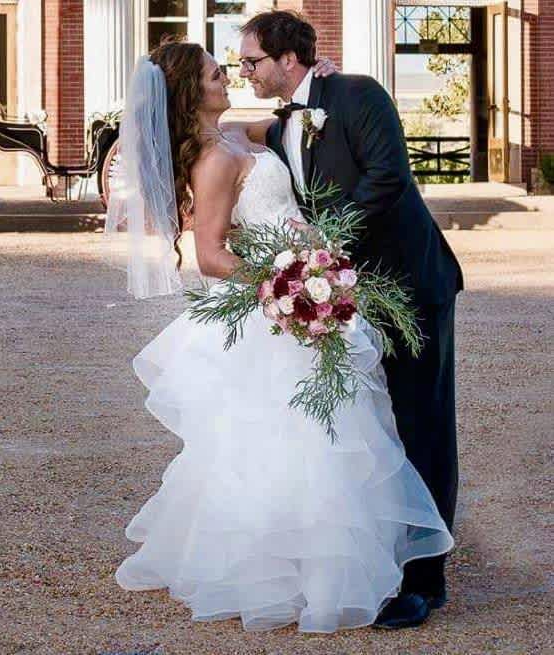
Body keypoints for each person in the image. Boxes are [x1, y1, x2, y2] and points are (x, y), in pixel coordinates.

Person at [106, 37, 453, 635]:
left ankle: (375, 566)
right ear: (192, 91)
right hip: (283, 305)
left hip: (315, 289)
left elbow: (290, 121)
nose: (230, 75)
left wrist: (323, 89)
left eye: (242, 64)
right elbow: (210, 255)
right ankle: (307, 573)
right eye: (217, 73)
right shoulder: (216, 161)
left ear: (286, 60)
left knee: (341, 434)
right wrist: (286, 286)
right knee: (299, 442)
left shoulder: (237, 135)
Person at [239, 10, 464, 628]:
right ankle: (383, 553)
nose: (244, 72)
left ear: (289, 59)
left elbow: (388, 178)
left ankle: (425, 583)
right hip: (348, 295)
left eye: (252, 61)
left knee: (422, 424)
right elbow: (232, 135)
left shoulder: (359, 94)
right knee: (369, 426)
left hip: (412, 286)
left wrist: (325, 241)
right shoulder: (283, 123)